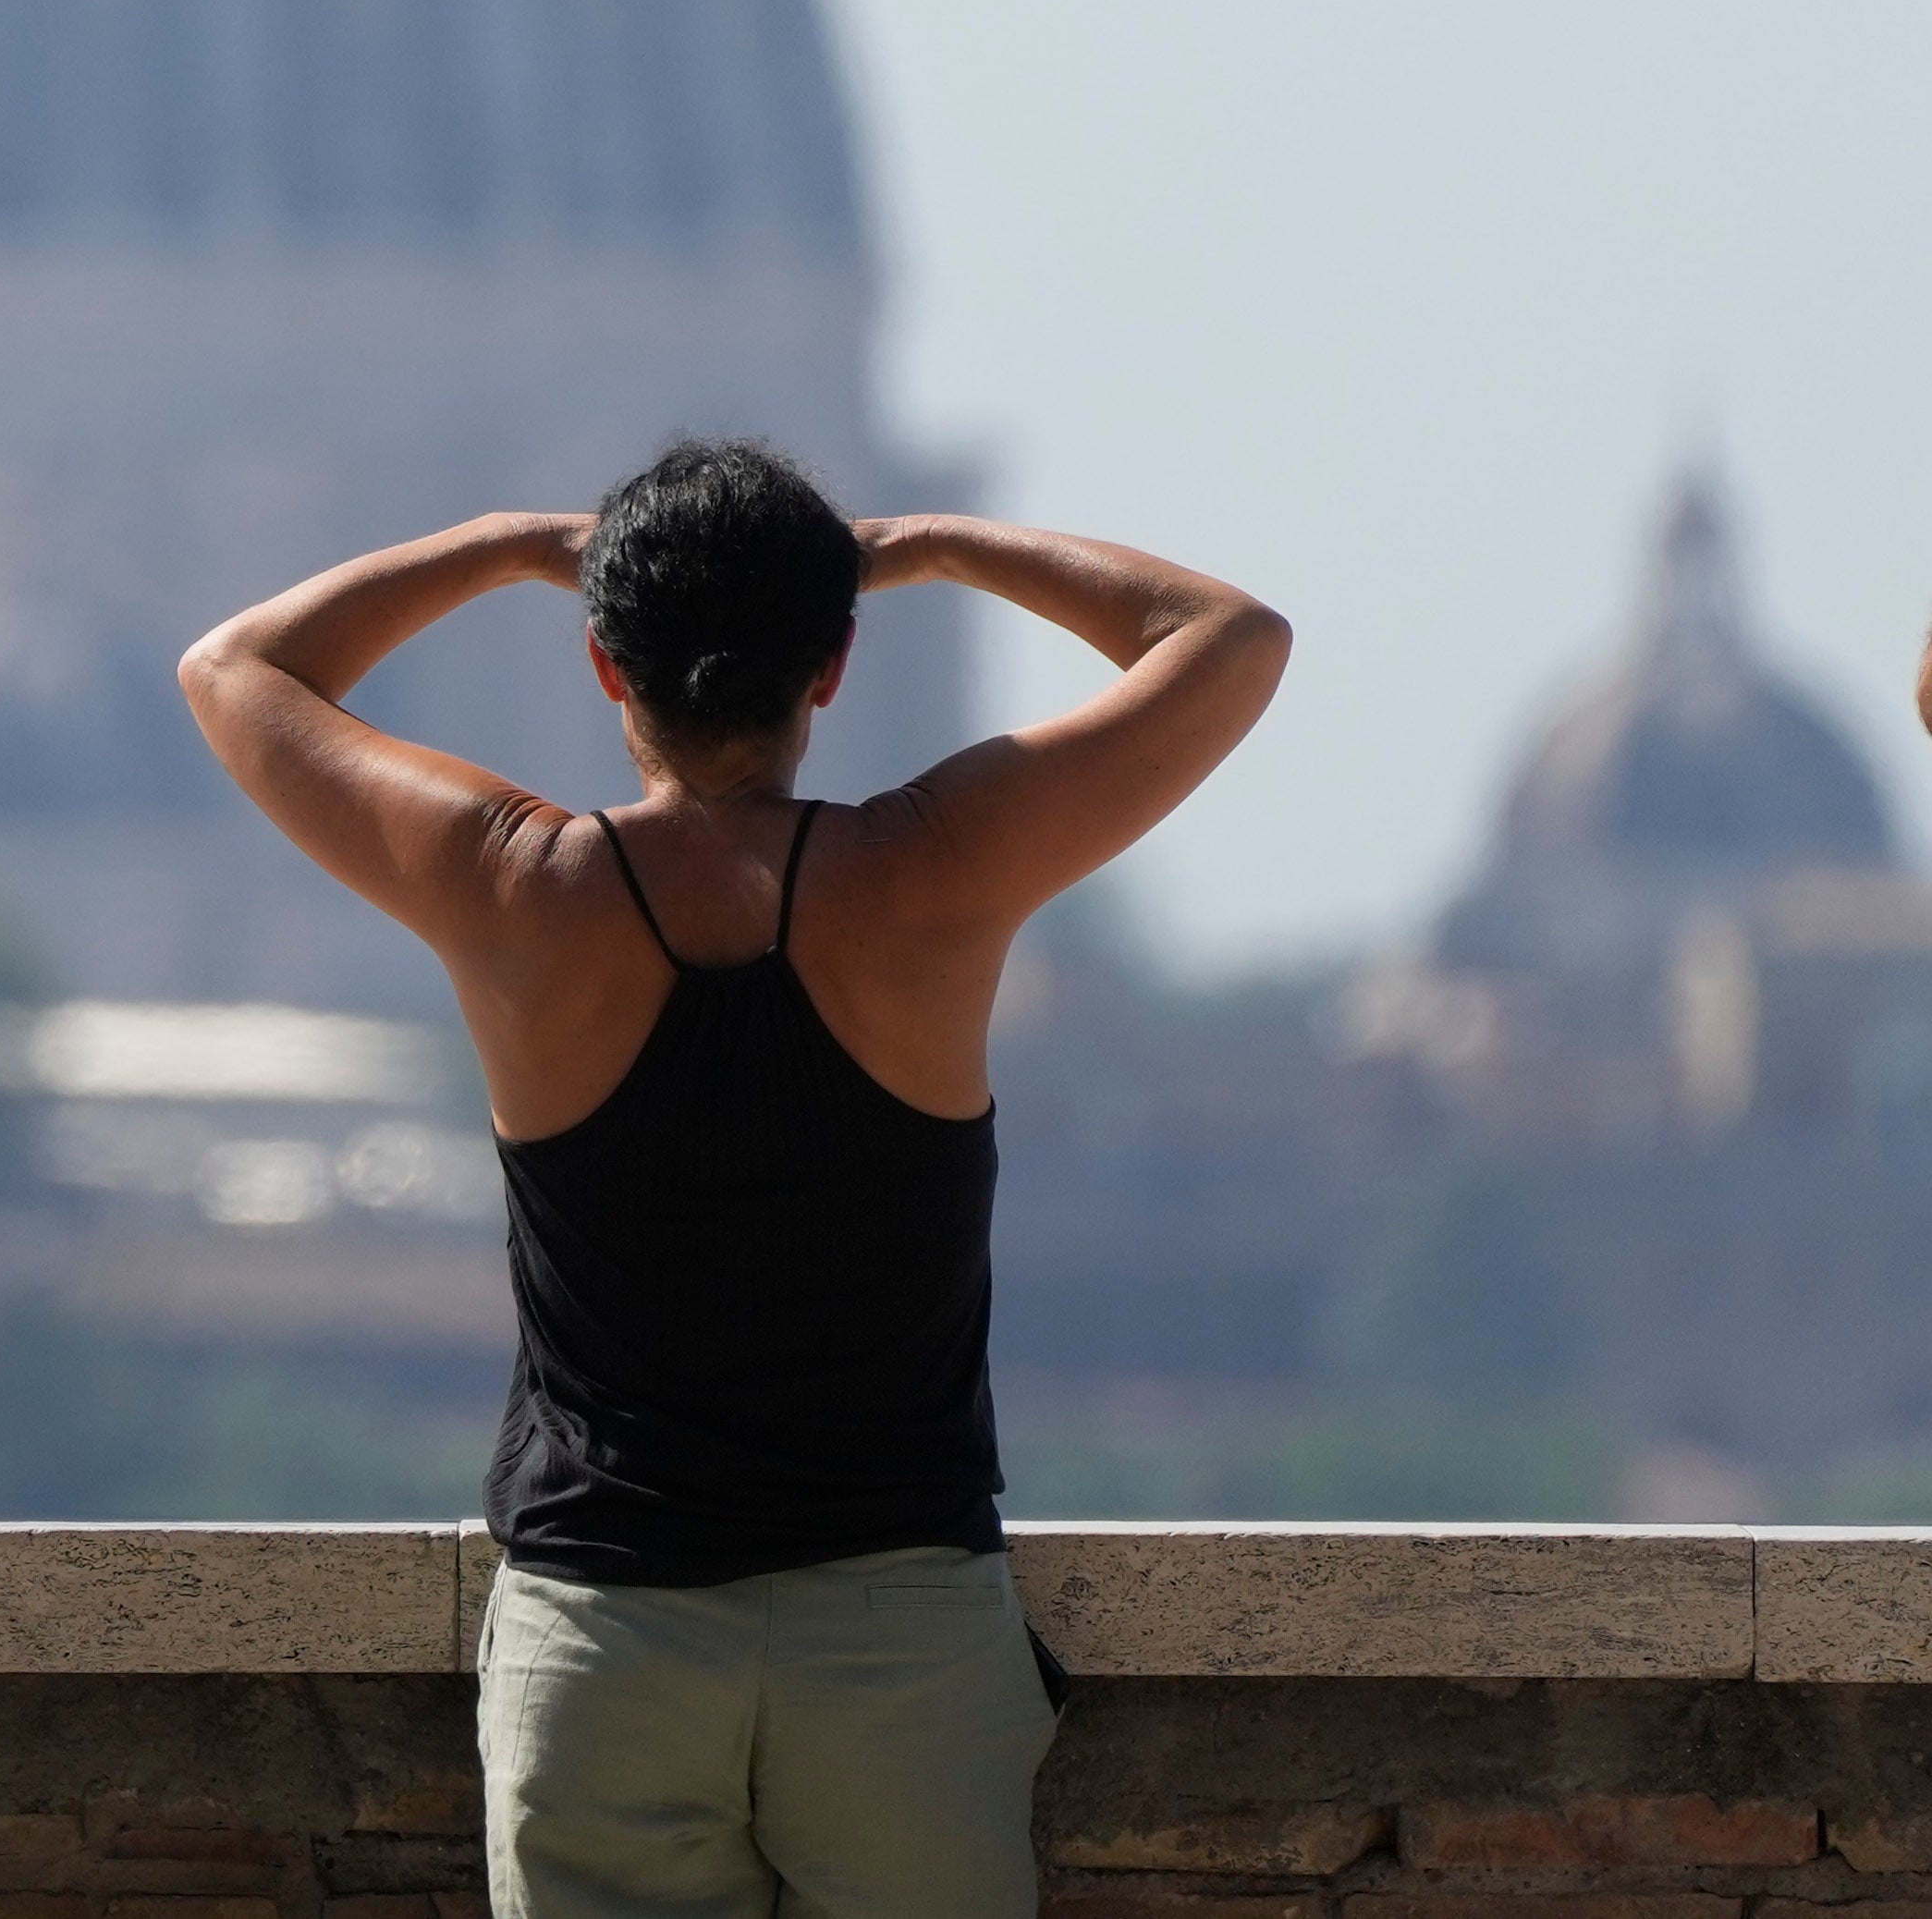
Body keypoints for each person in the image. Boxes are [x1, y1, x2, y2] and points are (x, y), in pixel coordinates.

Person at [177, 439, 1288, 1919]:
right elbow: (1228, 639)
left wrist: (508, 539)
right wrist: (931, 543)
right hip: (898, 1625)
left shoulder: (518, 884)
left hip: (609, 1632)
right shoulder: (933, 867)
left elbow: (238, 669)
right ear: (829, 669)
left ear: (601, 666)